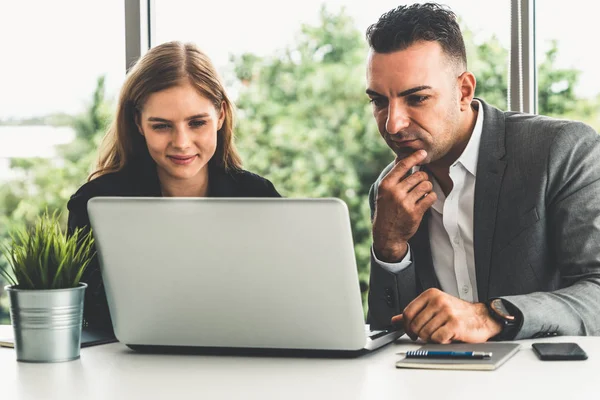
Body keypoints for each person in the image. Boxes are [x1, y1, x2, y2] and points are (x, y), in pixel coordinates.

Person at [365, 3, 600, 343]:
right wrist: (389, 248)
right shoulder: (389, 190)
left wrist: (489, 316)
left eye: (416, 99)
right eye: (379, 101)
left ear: (463, 91)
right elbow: (386, 334)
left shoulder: (561, 149)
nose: (393, 123)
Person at [68, 41, 281, 333]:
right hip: (126, 367)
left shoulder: (259, 198)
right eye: (161, 126)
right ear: (138, 124)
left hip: (239, 363)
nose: (181, 142)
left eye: (196, 123)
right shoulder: (94, 203)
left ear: (220, 115)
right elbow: (86, 316)